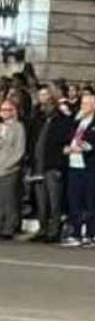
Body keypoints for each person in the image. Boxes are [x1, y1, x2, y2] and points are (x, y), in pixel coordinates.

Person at [62, 92, 95, 246]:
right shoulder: (77, 122)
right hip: (74, 163)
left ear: (94, 105)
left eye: (87, 104)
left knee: (90, 199)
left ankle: (91, 232)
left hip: (89, 166)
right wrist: (67, 148)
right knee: (74, 198)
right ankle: (76, 232)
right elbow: (67, 138)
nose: (84, 106)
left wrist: (89, 147)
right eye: (82, 104)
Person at [29, 89, 72, 244]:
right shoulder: (38, 120)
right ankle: (42, 229)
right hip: (38, 165)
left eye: (47, 105)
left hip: (53, 166)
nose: (44, 108)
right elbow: (33, 141)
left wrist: (61, 165)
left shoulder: (63, 121)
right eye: (43, 105)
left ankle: (54, 231)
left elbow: (65, 144)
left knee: (54, 201)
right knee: (41, 201)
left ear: (54, 105)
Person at [0, 100, 26, 238]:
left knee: (9, 200)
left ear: (13, 111)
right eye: (2, 109)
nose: (4, 112)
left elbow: (19, 150)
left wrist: (7, 165)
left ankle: (9, 227)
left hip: (10, 169)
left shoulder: (18, 127)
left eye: (7, 110)